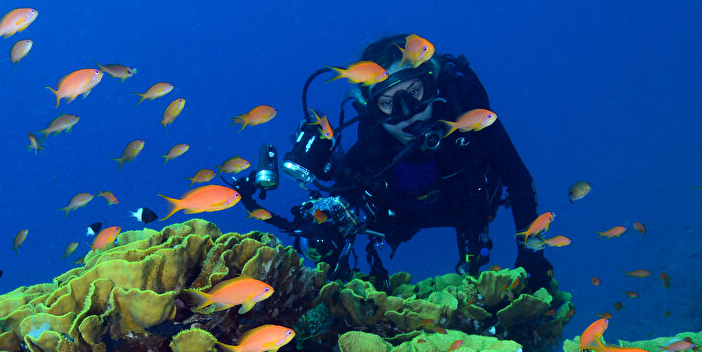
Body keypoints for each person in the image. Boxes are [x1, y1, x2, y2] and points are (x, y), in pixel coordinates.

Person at [233, 34, 554, 292]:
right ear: (370, 110)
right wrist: (319, 236)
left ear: (433, 85)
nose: (407, 112)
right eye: (387, 102)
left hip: (470, 207)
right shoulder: (370, 151)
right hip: (402, 217)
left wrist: (532, 254)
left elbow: (518, 178)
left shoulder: (471, 121)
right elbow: (340, 209)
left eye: (414, 92)